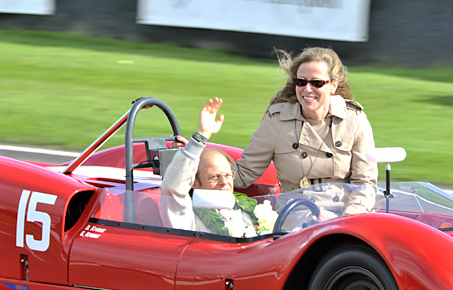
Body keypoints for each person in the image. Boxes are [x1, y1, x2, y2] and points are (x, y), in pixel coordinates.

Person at [232, 47, 377, 215]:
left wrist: (346, 221)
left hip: (345, 216)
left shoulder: (354, 120)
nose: (307, 89)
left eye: (316, 83)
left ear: (333, 86)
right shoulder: (277, 121)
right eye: (301, 82)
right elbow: (244, 173)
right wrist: (198, 150)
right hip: (296, 214)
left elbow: (365, 184)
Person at [160, 97, 274, 237]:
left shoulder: (247, 209)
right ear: (195, 182)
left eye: (227, 175)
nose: (225, 182)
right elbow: (173, 188)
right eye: (214, 177)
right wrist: (201, 136)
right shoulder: (187, 215)